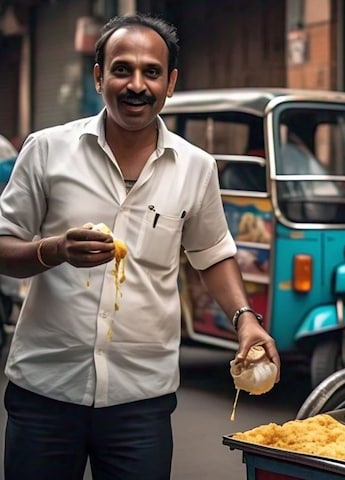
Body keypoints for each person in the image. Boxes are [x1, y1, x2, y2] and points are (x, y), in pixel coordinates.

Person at [0, 13, 280, 480]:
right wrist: (53, 250)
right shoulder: (46, 150)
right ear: (98, 76)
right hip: (44, 392)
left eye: (151, 72)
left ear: (169, 82)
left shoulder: (196, 167)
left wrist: (245, 321)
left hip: (141, 400)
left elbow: (212, 254)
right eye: (121, 69)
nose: (136, 85)